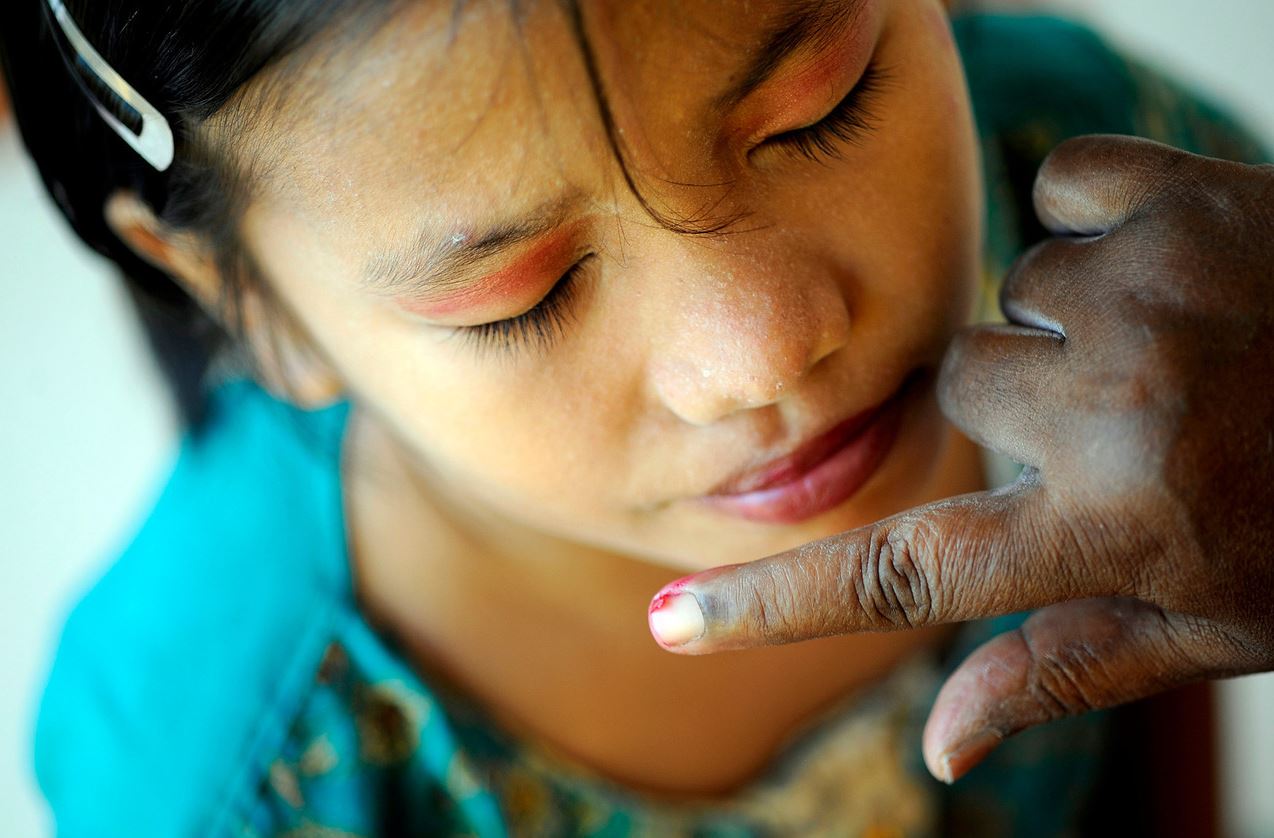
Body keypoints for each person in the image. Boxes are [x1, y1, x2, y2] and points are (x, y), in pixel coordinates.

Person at [2, 1, 1268, 835]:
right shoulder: (223, 773)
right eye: (524, 296)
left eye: (823, 104)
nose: (762, 352)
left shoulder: (1099, 194)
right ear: (250, 304)